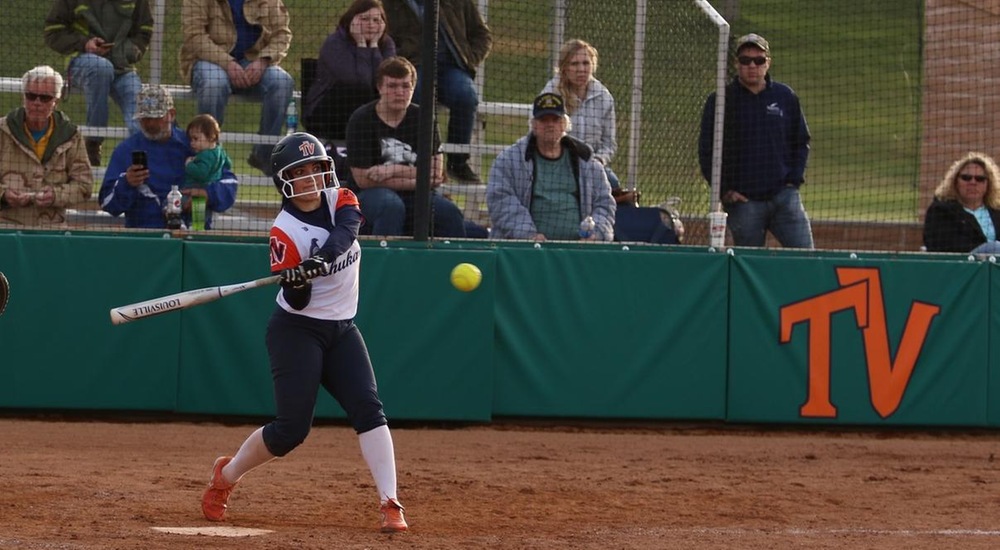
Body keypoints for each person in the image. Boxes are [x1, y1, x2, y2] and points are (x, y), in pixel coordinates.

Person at [200, 132, 408, 534]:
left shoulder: (341, 197)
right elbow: (297, 303)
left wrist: (320, 261)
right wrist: (294, 280)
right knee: (291, 430)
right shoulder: (284, 232)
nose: (312, 177)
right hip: (297, 331)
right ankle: (226, 476)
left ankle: (390, 502)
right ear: (284, 180)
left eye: (317, 167)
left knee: (369, 409)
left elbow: (346, 232)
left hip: (343, 328)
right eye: (301, 171)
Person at [541, 39, 678, 244]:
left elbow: (609, 143)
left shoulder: (604, 97)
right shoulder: (551, 93)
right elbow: (541, 133)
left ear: (593, 65)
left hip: (593, 163)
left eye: (585, 64)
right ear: (564, 68)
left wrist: (598, 161)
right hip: (558, 161)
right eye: (575, 64)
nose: (581, 69)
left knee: (612, 184)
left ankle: (613, 238)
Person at [698, 33, 813, 248]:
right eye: (745, 60)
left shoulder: (785, 96)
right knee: (749, 263)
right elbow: (707, 150)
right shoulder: (721, 100)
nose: (752, 65)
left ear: (767, 63)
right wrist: (724, 190)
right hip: (744, 202)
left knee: (806, 257)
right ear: (736, 64)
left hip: (784, 198)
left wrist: (793, 181)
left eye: (758, 60)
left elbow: (801, 141)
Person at [345, 56, 466, 237]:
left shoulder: (423, 118)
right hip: (369, 195)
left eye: (405, 86)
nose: (400, 92)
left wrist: (390, 170)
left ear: (413, 88)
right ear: (380, 88)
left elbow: (435, 173)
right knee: (391, 207)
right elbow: (364, 180)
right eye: (392, 86)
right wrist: (418, 178)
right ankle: (385, 264)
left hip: (415, 195)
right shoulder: (361, 119)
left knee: (449, 213)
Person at [179, 0, 295, 175]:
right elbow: (194, 36)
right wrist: (228, 63)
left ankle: (264, 154)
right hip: (208, 61)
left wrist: (264, 60)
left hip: (253, 61)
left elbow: (282, 34)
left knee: (282, 82)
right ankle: (209, 156)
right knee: (214, 82)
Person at [98, 84, 238, 229]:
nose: (150, 124)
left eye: (156, 117)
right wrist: (126, 183)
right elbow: (107, 203)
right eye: (145, 118)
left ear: (171, 114)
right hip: (145, 235)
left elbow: (230, 183)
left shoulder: (194, 144)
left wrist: (208, 194)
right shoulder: (126, 150)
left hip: (193, 234)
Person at [383, 0, 492, 184]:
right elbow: (384, 38)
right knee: (413, 96)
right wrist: (396, 62)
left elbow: (482, 34)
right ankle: (420, 161)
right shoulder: (390, 4)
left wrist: (469, 58)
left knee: (466, 96)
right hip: (413, 65)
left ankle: (458, 163)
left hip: (451, 65)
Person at [486, 92, 615, 241]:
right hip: (526, 251)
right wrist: (528, 235)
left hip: (579, 252)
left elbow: (605, 204)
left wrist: (596, 234)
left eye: (555, 119)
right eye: (543, 120)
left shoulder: (588, 162)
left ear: (564, 125)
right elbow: (500, 201)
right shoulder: (508, 161)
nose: (550, 125)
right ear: (533, 125)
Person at [44, 0, 154, 167]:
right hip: (82, 60)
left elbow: (144, 31)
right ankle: (93, 143)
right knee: (101, 68)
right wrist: (85, 44)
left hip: (122, 66)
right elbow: (53, 32)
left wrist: (127, 52)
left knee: (138, 105)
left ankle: (144, 168)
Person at [0, 66, 92, 226]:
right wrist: (3, 194)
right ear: (23, 97)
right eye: (31, 96)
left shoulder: (71, 136)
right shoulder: (3, 130)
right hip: (6, 227)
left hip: (51, 231)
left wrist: (56, 196)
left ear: (56, 101)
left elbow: (84, 186)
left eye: (45, 98)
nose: (37, 103)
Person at [303, 0, 396, 143]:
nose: (371, 24)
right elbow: (360, 82)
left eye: (376, 20)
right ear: (351, 20)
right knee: (358, 90)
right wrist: (362, 46)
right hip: (329, 113)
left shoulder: (386, 43)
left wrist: (374, 46)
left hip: (367, 112)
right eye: (364, 19)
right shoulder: (334, 43)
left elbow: (384, 79)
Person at [923, 152, 1000, 254]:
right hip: (962, 265)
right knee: (994, 247)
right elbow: (938, 246)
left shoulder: (996, 211)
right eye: (966, 178)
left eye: (980, 179)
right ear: (955, 181)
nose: (973, 182)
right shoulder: (941, 211)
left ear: (988, 184)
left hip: (994, 266)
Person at [185, 114, 232, 229]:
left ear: (211, 137)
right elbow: (228, 164)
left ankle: (194, 229)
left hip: (199, 187)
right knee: (203, 216)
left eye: (196, 139)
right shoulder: (220, 150)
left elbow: (202, 174)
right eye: (191, 139)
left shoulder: (205, 155)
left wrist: (189, 165)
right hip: (208, 188)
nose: (192, 143)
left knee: (181, 205)